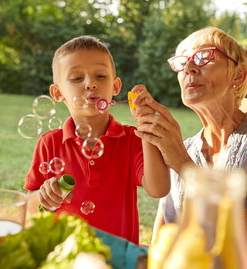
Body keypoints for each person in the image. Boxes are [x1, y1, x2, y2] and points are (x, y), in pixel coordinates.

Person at [130, 26, 247, 255]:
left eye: (204, 57)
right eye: (181, 63)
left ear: (238, 75)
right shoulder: (183, 149)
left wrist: (184, 166)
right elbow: (160, 245)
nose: (189, 69)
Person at [24, 35, 170, 244]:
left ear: (116, 86)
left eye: (100, 76)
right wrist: (43, 197)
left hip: (118, 264)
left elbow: (158, 189)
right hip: (66, 259)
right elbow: (30, 207)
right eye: (76, 78)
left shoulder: (132, 139)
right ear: (58, 93)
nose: (90, 84)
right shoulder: (49, 143)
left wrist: (145, 126)